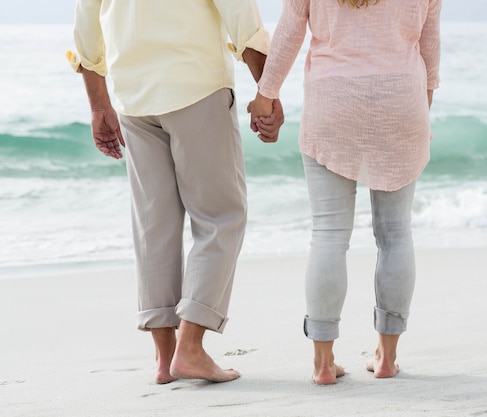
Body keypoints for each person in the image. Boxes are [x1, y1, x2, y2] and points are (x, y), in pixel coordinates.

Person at [68, 0, 284, 384]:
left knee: (155, 226)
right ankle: (191, 348)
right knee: (221, 217)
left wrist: (99, 106)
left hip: (134, 97)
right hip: (195, 86)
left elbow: (86, 27)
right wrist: (268, 93)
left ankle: (165, 358)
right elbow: (242, 20)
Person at [248, 0, 441, 385]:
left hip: (332, 99)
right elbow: (430, 43)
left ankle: (323, 362)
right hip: (400, 96)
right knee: (395, 234)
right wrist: (423, 99)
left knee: (329, 235)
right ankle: (386, 357)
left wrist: (266, 94)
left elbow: (290, 29)